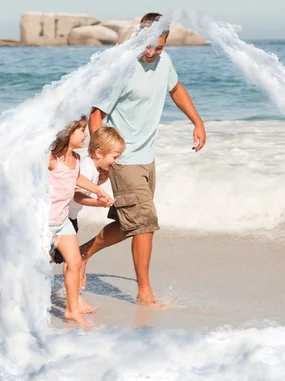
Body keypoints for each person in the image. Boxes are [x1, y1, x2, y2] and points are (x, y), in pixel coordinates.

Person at [81, 12, 207, 306]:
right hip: (123, 160)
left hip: (148, 157)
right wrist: (101, 160)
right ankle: (145, 292)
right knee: (146, 222)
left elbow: (175, 89)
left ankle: (80, 253)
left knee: (130, 225)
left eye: (158, 48)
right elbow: (96, 115)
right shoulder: (122, 69)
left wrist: (197, 122)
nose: (151, 53)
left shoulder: (164, 63)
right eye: (147, 46)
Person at [47, 116, 113, 326]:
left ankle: (71, 310)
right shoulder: (51, 160)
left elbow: (77, 179)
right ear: (68, 132)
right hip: (43, 224)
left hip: (63, 221)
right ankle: (5, 288)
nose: (86, 134)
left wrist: (98, 190)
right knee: (33, 265)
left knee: (75, 262)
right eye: (82, 130)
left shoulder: (75, 159)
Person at [51, 127, 126, 291]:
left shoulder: (91, 168)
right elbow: (76, 195)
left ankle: (71, 293)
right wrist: (97, 202)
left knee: (61, 257)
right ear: (99, 153)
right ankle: (72, 294)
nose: (116, 161)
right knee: (67, 258)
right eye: (114, 157)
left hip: (68, 218)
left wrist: (98, 184)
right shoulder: (86, 167)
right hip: (62, 219)